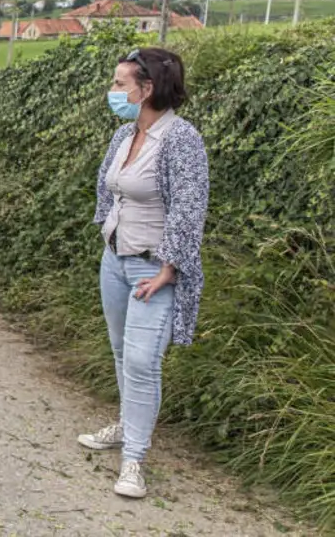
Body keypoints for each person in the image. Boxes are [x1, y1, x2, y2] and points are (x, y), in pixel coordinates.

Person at [77, 47, 209, 500]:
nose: (113, 91)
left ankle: (134, 459)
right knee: (121, 352)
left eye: (120, 84)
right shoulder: (124, 134)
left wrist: (170, 268)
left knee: (141, 361)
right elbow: (108, 188)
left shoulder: (181, 139)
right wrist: (106, 232)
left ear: (147, 88)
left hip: (153, 269)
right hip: (115, 261)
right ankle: (125, 425)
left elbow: (190, 207)